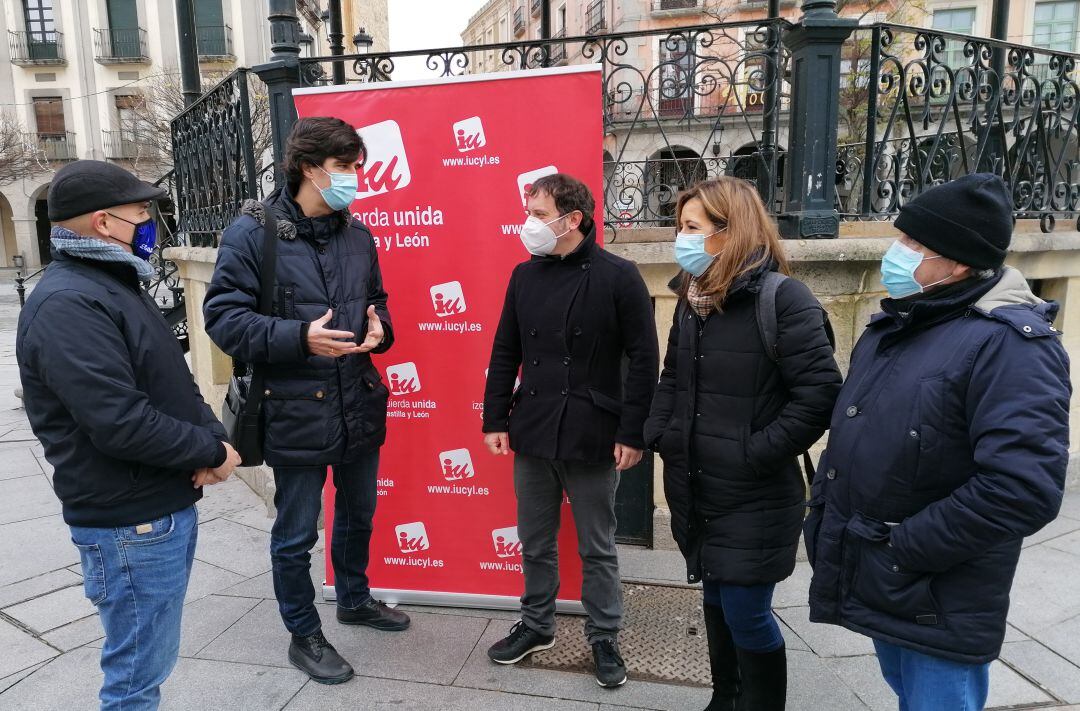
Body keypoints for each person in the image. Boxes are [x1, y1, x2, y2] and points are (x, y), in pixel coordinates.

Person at [805, 174, 1071, 711]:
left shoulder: (1010, 346)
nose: (895, 254)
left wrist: (901, 551)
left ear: (958, 263)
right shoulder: (902, 324)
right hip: (885, 572)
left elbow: (1023, 487)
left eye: (913, 245)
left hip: (932, 586)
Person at [16, 160, 242, 710]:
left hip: (154, 505)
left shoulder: (114, 283)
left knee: (149, 661)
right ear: (103, 223)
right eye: (142, 214)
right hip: (128, 519)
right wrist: (210, 450)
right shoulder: (68, 302)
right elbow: (119, 420)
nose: (150, 224)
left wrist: (211, 436)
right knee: (136, 676)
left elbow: (172, 379)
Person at [203, 117, 407, 686]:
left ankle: (355, 598)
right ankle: (303, 633)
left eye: (356, 168)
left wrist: (379, 332)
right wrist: (299, 338)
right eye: (344, 168)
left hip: (358, 399)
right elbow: (222, 318)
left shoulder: (357, 235)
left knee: (360, 513)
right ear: (308, 168)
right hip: (294, 407)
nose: (353, 179)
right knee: (296, 532)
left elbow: (378, 303)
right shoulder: (254, 231)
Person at [643, 177, 842, 711]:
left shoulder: (785, 300)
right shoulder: (692, 296)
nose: (680, 238)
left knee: (747, 610)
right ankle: (723, 698)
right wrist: (660, 435)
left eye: (692, 227)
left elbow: (820, 396)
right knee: (714, 596)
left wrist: (752, 453)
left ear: (730, 232)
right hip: (697, 484)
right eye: (679, 226)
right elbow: (671, 377)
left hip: (755, 493)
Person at [483, 173, 659, 688]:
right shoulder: (524, 276)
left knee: (596, 545)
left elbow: (645, 360)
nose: (529, 224)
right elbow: (504, 351)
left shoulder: (619, 276)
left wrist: (634, 432)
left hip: (595, 431)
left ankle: (604, 634)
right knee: (535, 540)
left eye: (539, 215)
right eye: (529, 213)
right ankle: (537, 625)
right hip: (533, 429)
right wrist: (495, 418)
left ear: (573, 219)